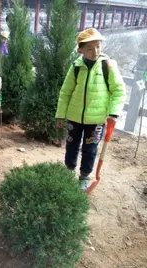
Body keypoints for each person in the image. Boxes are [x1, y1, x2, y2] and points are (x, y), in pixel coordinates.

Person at [55, 28, 125, 190]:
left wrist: (114, 112)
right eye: (90, 48)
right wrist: (60, 114)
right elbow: (65, 92)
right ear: (80, 50)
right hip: (74, 117)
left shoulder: (108, 65)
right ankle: (68, 171)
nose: (95, 51)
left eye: (98, 46)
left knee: (90, 149)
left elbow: (118, 90)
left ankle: (85, 176)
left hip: (97, 119)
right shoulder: (76, 67)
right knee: (71, 145)